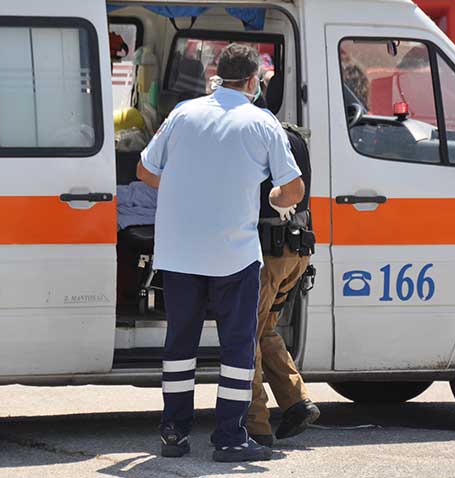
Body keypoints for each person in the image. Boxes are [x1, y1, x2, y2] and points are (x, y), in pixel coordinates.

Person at [137, 43, 304, 463]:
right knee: (236, 348)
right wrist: (276, 199)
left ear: (217, 75)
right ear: (253, 80)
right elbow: (293, 189)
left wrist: (184, 190)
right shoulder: (262, 122)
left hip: (179, 253)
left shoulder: (183, 114)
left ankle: (173, 433)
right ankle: (230, 438)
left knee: (180, 346)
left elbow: (145, 170)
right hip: (234, 255)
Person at [248, 78, 320, 447]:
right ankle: (296, 402)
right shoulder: (293, 135)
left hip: (267, 256)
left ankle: (255, 425)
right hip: (296, 253)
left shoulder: (251, 136)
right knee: (264, 329)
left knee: (245, 336)